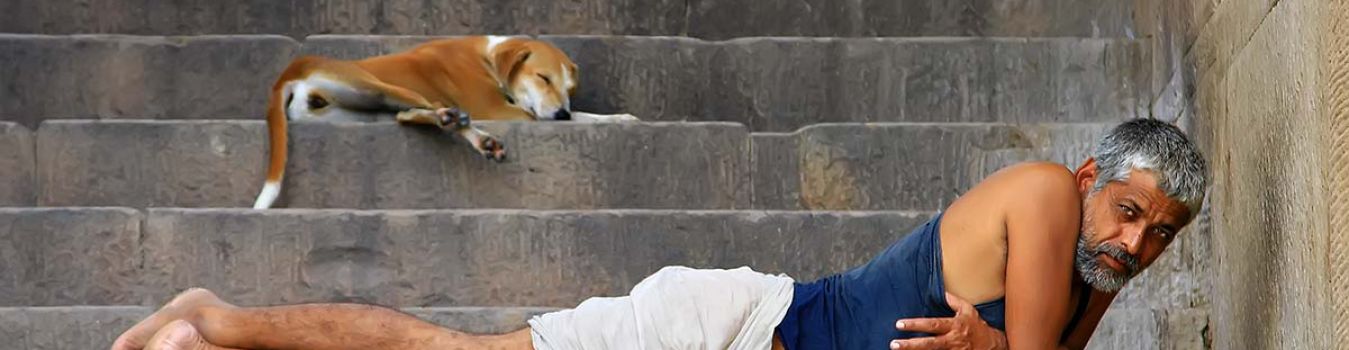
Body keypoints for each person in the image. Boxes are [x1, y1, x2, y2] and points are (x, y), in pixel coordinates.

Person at [111, 118, 1208, 350]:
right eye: (1129, 211)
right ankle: (217, 318)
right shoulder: (1043, 196)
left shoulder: (1091, 269)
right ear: (1085, 178)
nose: (1134, 242)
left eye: (1159, 235)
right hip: (728, 326)